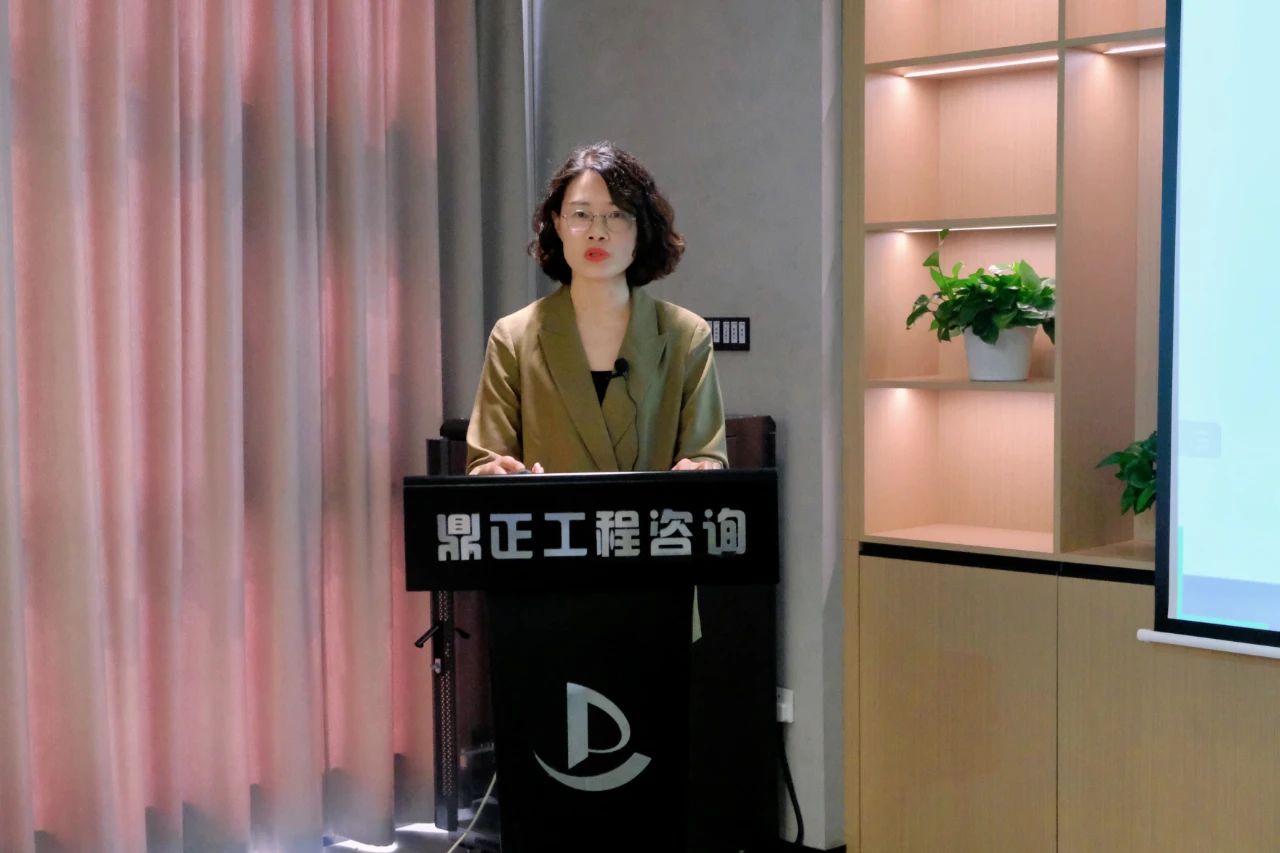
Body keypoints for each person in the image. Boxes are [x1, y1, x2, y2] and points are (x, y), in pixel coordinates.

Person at [466, 142, 728, 475]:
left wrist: (702, 468)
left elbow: (708, 457)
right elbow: (486, 461)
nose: (597, 233)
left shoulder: (686, 336)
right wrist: (494, 472)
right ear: (557, 224)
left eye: (616, 215)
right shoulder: (513, 338)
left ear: (640, 229)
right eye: (581, 215)